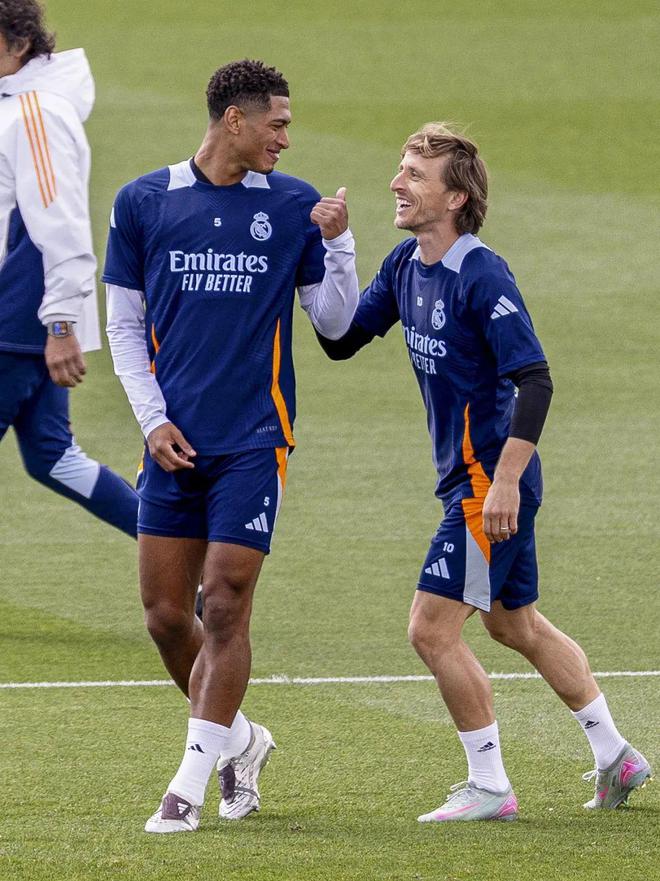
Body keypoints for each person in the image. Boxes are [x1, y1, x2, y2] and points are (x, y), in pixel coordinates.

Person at [317, 122, 651, 821]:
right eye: (400, 168)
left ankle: (490, 785)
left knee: (430, 630)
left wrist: (502, 483)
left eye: (414, 174)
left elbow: (535, 379)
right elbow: (341, 340)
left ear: (456, 197)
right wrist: (336, 247)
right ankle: (616, 753)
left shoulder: (481, 274)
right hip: (475, 482)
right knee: (515, 625)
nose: (396, 183)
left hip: (488, 484)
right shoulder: (406, 264)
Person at [103, 58, 358, 833]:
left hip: (255, 441)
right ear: (235, 120)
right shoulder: (143, 201)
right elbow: (123, 327)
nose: (286, 138)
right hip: (172, 442)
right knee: (164, 615)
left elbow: (337, 324)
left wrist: (340, 244)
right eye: (277, 124)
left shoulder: (294, 205)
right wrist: (152, 420)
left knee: (223, 602)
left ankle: (185, 788)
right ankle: (241, 740)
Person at [0, 0, 138, 536]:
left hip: (16, 322)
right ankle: (181, 563)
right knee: (54, 457)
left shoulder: (36, 115)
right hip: (24, 321)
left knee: (55, 457)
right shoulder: (16, 106)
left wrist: (60, 324)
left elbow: (61, 226)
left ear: (19, 44)